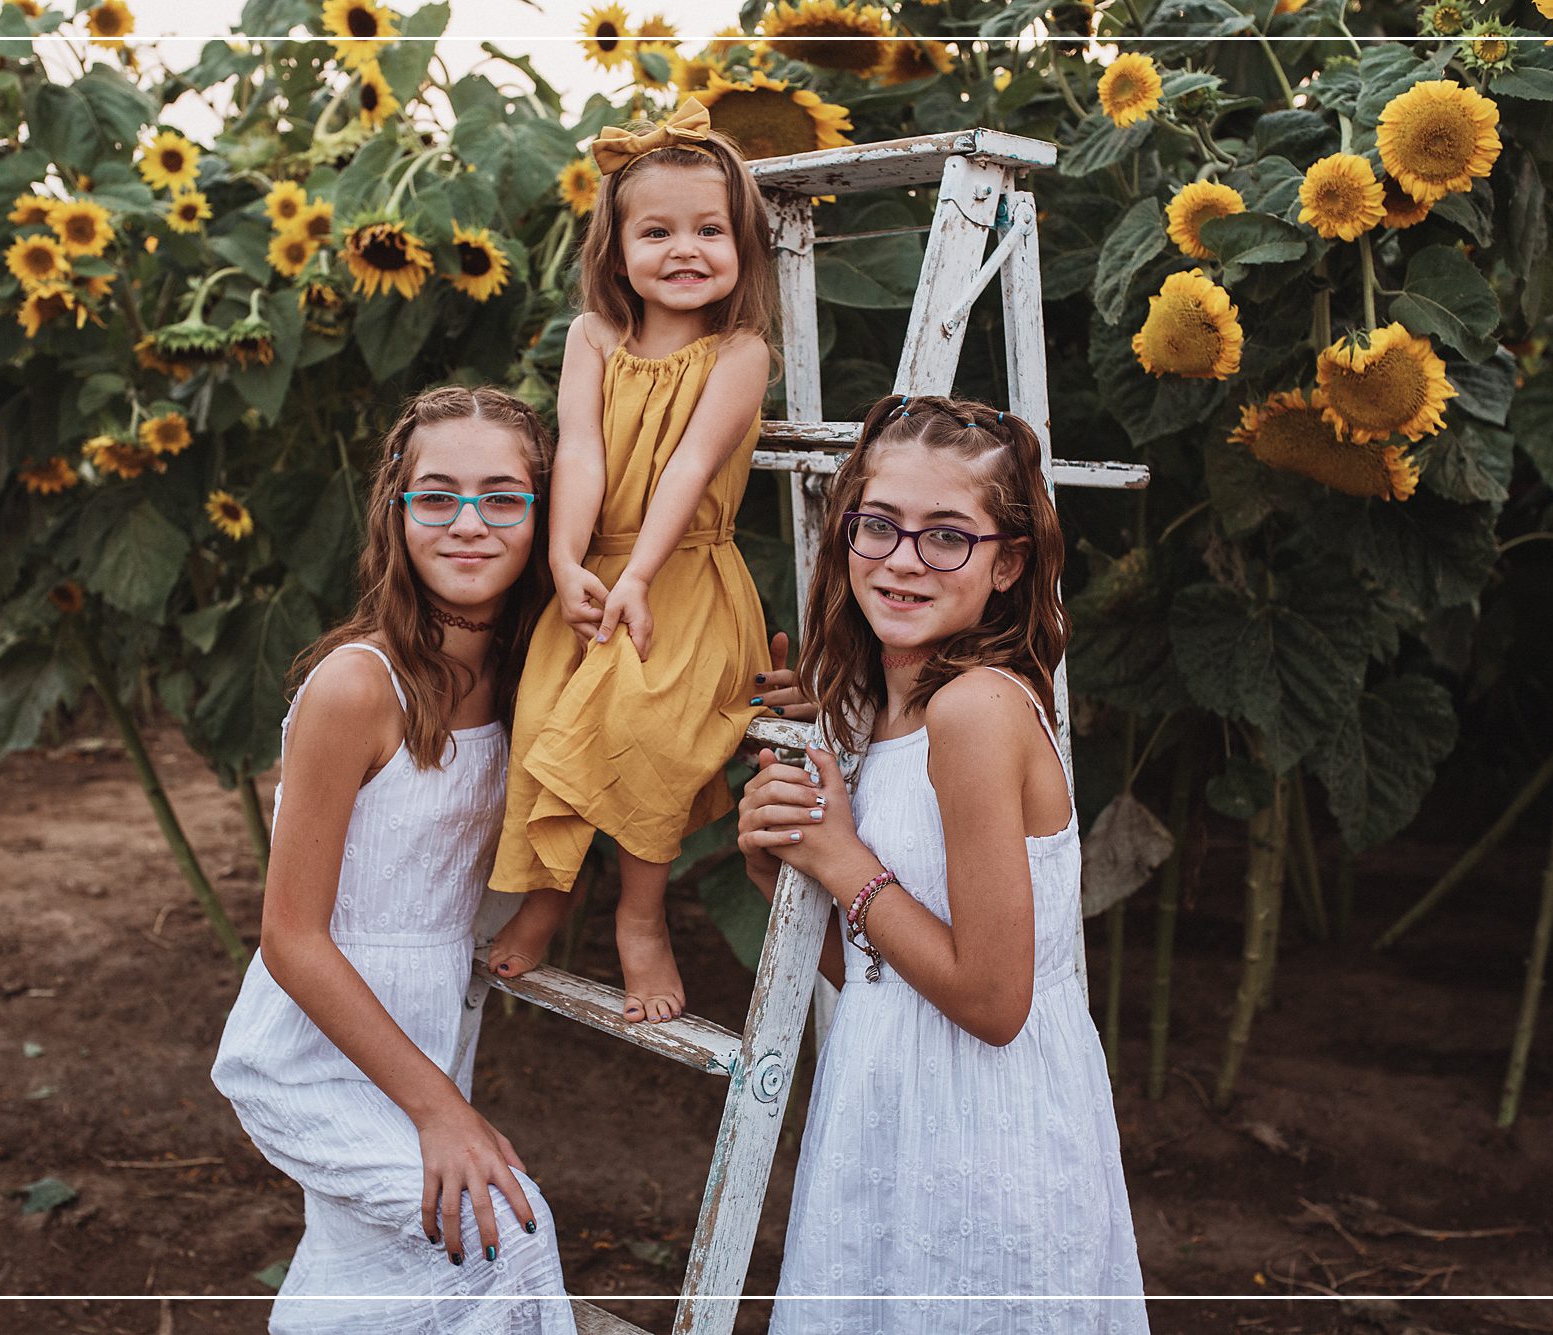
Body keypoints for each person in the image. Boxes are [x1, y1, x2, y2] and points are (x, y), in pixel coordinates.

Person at [737, 395, 1151, 1332]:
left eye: (947, 537)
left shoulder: (976, 712)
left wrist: (842, 864)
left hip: (986, 1132)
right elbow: (883, 980)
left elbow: (994, 1001)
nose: (903, 558)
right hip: (887, 1102)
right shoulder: (881, 716)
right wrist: (784, 872)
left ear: (1008, 563)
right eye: (878, 525)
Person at [211, 387, 575, 1334]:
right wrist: (441, 1110)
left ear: (546, 514)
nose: (468, 523)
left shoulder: (533, 676)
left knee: (368, 1280)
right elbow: (291, 937)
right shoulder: (356, 687)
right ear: (395, 513)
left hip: (426, 1024)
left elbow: (654, 725)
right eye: (436, 496)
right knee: (499, 1230)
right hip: (310, 1047)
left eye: (503, 497)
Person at [486, 96, 776, 1025]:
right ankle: (548, 895)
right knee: (543, 721)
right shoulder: (592, 339)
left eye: (710, 230)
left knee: (647, 730)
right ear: (615, 251)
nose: (685, 249)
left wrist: (640, 576)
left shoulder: (740, 352)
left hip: (684, 576)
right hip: (597, 568)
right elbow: (581, 450)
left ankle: (641, 916)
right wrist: (567, 562)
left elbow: (690, 465)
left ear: (741, 248)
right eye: (657, 230)